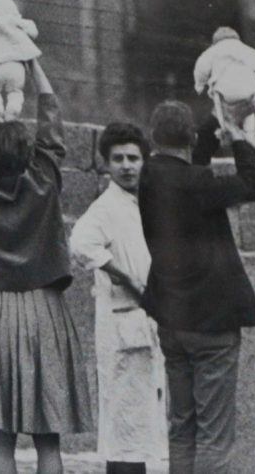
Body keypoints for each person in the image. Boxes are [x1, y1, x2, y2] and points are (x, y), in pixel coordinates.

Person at [0, 41, 92, 474]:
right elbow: (52, 125)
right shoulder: (45, 179)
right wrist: (33, 62)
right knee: (49, 441)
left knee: (1, 439)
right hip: (44, 308)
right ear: (30, 153)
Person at [138, 101, 255, 474]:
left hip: (171, 319)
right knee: (214, 434)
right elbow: (252, 183)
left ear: (151, 139)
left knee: (182, 427)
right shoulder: (199, 184)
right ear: (190, 138)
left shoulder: (147, 176)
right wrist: (239, 137)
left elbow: (188, 165)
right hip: (212, 321)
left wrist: (218, 117)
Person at [69, 123, 168, 474]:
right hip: (123, 326)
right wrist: (125, 276)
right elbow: (81, 245)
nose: (126, 166)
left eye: (133, 158)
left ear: (145, 161)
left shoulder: (146, 202)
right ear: (106, 165)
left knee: (145, 423)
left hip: (151, 323)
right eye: (118, 159)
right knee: (124, 423)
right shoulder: (105, 207)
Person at [193, 26, 255, 148]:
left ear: (215, 42)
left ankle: (225, 130)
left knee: (221, 111)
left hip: (227, 94)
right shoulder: (246, 50)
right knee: (249, 112)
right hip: (251, 93)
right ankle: (250, 134)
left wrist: (199, 86)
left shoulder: (213, 51)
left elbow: (201, 68)